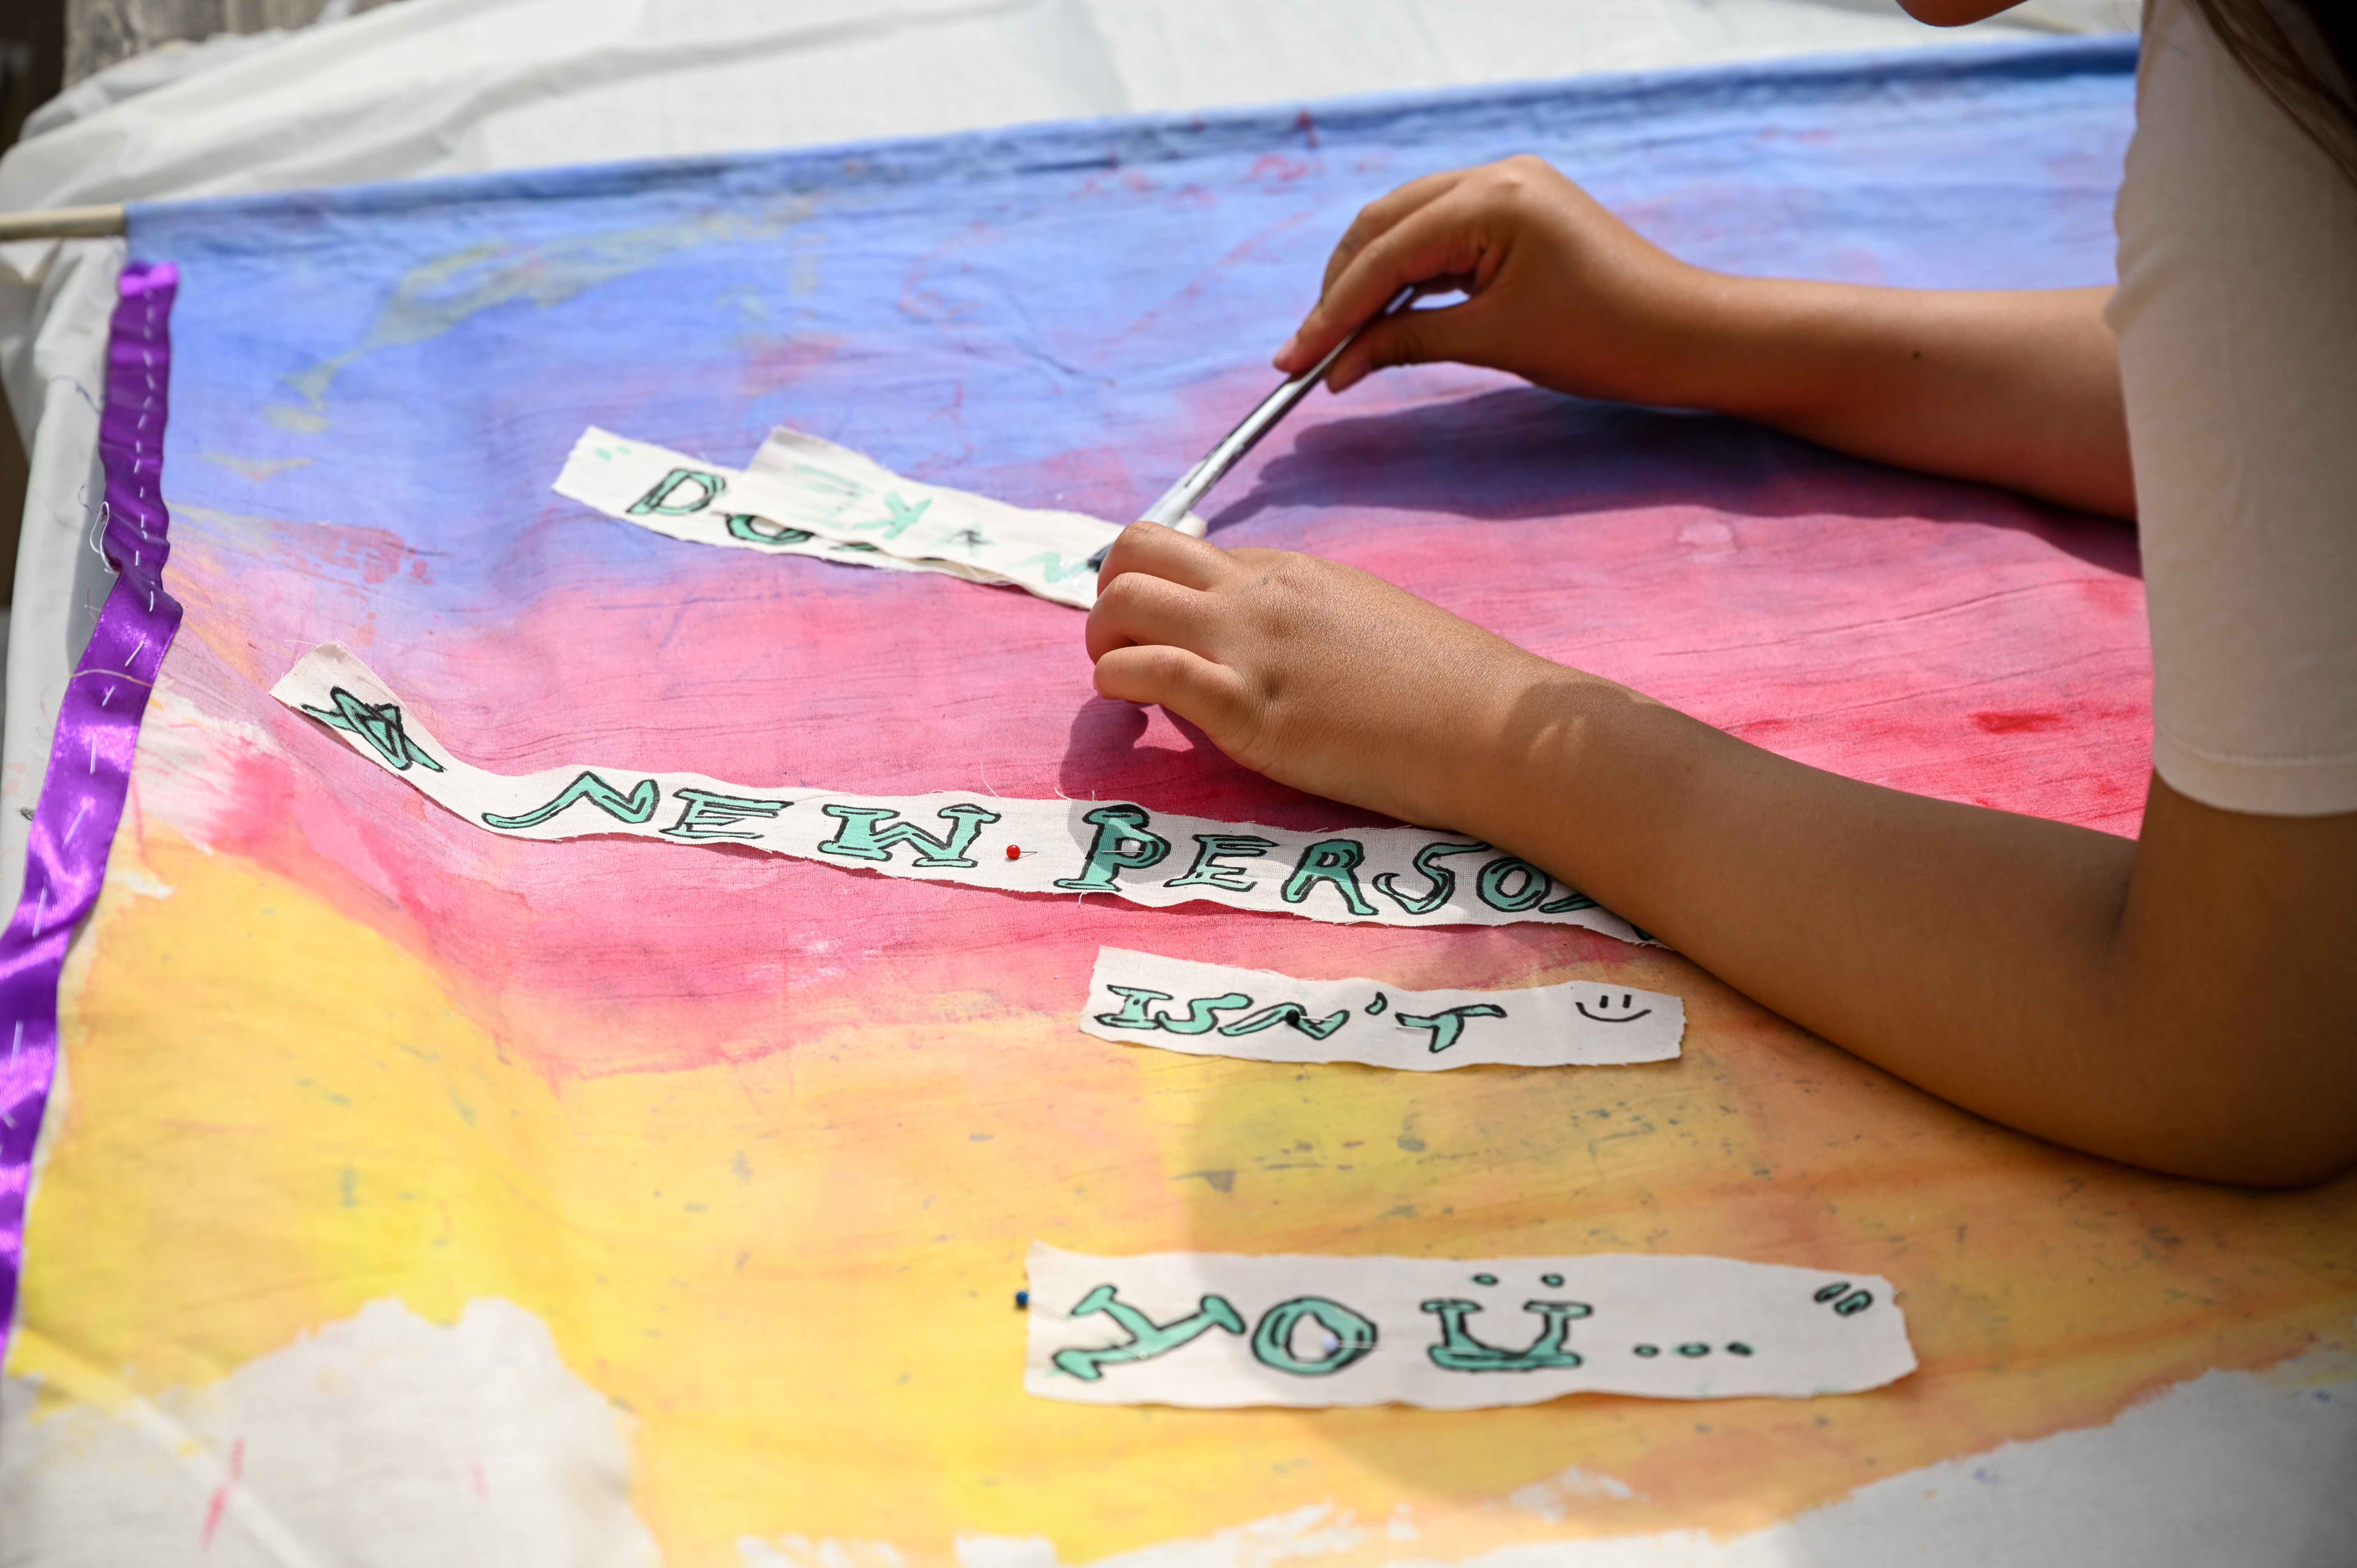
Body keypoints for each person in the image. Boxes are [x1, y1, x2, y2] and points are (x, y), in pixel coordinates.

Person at [1084, 0, 2357, 1187]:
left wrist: (1479, 729)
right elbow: (2277, 407)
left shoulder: (2271, 77)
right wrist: (1708, 334)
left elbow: (2239, 1045)